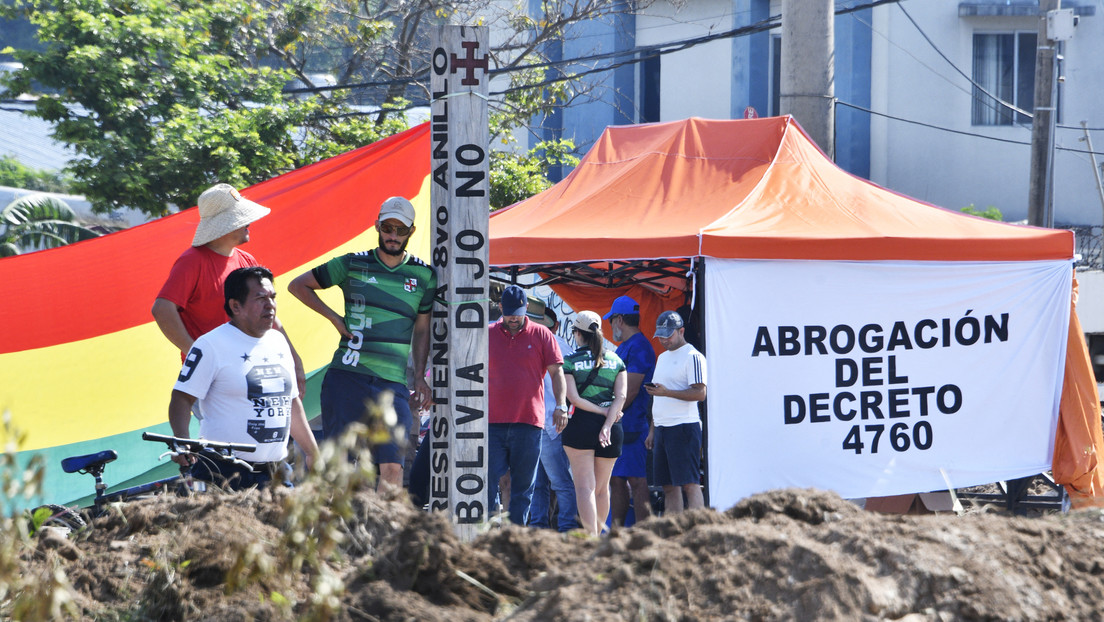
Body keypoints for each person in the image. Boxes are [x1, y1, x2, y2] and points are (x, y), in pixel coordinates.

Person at [288, 196, 436, 490]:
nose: (393, 235)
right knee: (339, 464)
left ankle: (379, 534)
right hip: (347, 377)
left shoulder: (424, 276)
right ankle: (335, 531)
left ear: (411, 231)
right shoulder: (353, 263)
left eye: (400, 229)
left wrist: (419, 377)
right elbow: (297, 285)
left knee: (393, 467)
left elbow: (422, 329)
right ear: (378, 226)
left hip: (392, 384)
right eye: (387, 227)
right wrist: (333, 317)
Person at [168, 266, 319, 490]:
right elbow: (181, 398)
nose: (270, 305)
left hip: (274, 472)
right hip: (223, 472)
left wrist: (312, 452)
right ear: (235, 306)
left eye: (272, 297)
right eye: (260, 298)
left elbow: (291, 403)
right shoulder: (210, 345)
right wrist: (182, 441)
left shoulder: (278, 341)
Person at [152, 183, 306, 393]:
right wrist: (197, 354)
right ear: (225, 224)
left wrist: (293, 358)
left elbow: (267, 313)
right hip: (213, 379)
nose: (249, 222)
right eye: (242, 217)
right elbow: (162, 308)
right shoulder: (192, 261)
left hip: (250, 370)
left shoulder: (247, 260)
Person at [488, 285, 566, 526]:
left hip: (529, 423)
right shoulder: (487, 332)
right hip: (492, 423)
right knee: (487, 482)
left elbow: (557, 373)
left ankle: (515, 537)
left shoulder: (542, 334)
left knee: (524, 487)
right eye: (509, 312)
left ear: (527, 309)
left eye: (518, 313)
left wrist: (561, 405)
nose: (514, 318)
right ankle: (491, 534)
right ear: (501, 308)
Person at [559, 311, 626, 536]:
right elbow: (622, 397)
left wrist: (601, 412)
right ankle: (599, 538)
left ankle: (591, 541)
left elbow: (574, 399)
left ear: (577, 334)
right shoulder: (616, 360)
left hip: (580, 425)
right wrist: (607, 422)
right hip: (612, 428)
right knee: (601, 488)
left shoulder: (569, 361)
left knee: (584, 487)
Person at [645, 310, 707, 513]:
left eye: (668, 335)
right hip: (663, 427)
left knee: (689, 483)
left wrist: (667, 392)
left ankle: (699, 528)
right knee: (668, 486)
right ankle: (674, 531)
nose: (664, 340)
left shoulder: (693, 356)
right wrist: (653, 430)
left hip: (684, 426)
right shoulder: (662, 357)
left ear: (681, 331)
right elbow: (658, 394)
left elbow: (700, 393)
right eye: (661, 335)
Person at [604, 295, 656, 526]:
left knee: (637, 480)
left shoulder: (640, 347)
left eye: (611, 320)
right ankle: (616, 532)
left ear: (620, 320)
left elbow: (632, 390)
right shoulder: (625, 346)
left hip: (633, 425)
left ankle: (645, 534)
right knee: (616, 479)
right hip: (621, 424)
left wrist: (608, 416)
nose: (610, 326)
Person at [527, 308, 580, 532]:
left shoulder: (555, 344)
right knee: (545, 481)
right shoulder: (559, 344)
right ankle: (551, 525)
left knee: (553, 481)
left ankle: (559, 526)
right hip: (543, 420)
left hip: (547, 421)